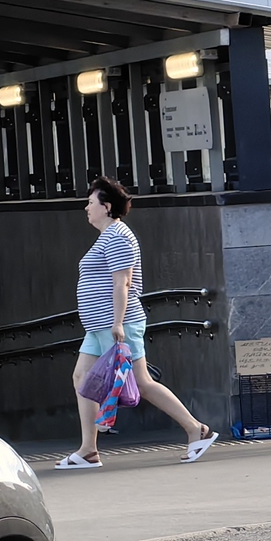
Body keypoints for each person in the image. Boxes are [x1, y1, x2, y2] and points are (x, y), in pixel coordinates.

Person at [55, 176, 217, 469]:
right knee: (81, 377)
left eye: (90, 203)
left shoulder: (118, 237)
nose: (86, 208)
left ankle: (197, 429)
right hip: (98, 326)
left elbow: (123, 284)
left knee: (141, 382)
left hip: (117, 324)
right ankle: (88, 449)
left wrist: (117, 324)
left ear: (105, 207)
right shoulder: (107, 236)